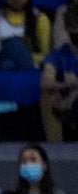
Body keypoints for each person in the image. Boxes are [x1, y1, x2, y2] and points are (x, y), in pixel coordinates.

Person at [40, 8, 78, 143]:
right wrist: (68, 84)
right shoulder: (58, 54)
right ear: (68, 29)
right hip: (65, 99)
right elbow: (46, 81)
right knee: (48, 95)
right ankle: (56, 147)